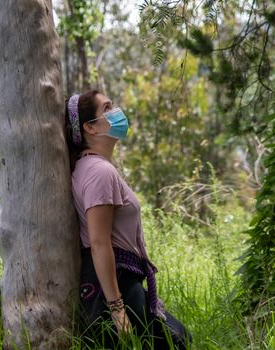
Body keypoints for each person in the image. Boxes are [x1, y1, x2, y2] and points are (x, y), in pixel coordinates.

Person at [65, 89, 191, 349]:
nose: (117, 112)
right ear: (91, 127)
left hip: (120, 279)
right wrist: (117, 307)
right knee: (176, 341)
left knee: (179, 338)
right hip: (113, 282)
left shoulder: (93, 168)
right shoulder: (99, 172)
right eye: (107, 108)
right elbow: (99, 243)